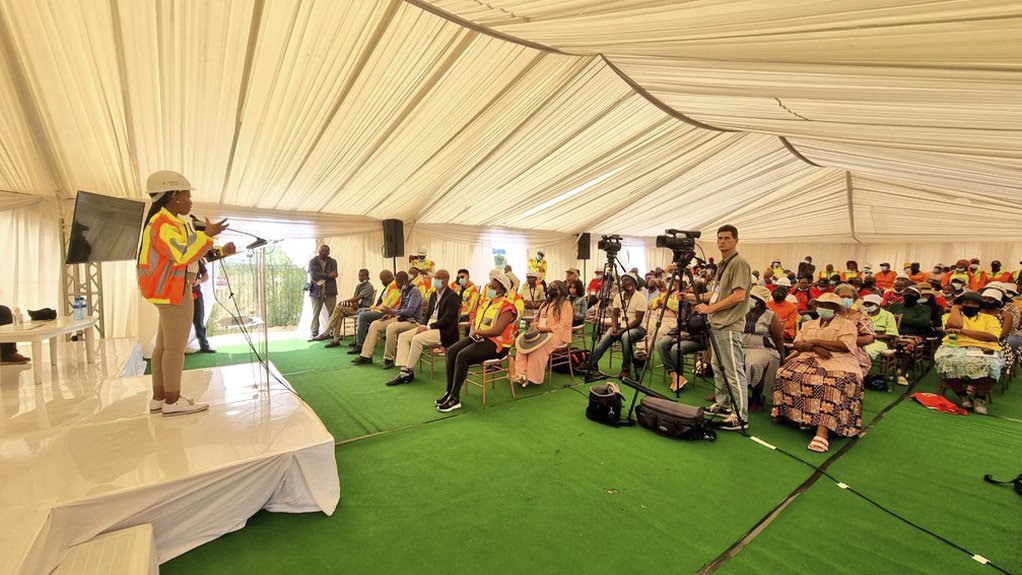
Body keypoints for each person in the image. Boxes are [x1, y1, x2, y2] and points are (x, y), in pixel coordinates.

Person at [138, 170, 235, 416]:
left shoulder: (170, 222)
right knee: (174, 348)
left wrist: (220, 249)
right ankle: (173, 400)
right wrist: (208, 235)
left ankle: (160, 398)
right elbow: (182, 254)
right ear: (173, 196)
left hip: (169, 290)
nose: (190, 200)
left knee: (163, 346)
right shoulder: (163, 223)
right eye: (186, 195)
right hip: (173, 289)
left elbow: (192, 254)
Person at [772, 292, 864, 453]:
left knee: (833, 382)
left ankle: (823, 431)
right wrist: (815, 348)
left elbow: (845, 345)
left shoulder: (846, 324)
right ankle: (786, 413)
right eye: (821, 305)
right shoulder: (808, 325)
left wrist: (815, 342)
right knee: (784, 373)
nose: (823, 309)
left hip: (838, 359)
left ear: (835, 309)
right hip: (809, 356)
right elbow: (798, 344)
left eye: (828, 306)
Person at [692, 225, 752, 431]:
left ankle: (741, 416)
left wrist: (709, 309)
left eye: (727, 238)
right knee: (718, 366)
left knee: (734, 371)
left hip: (729, 324)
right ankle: (724, 404)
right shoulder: (723, 264)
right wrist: (691, 297)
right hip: (718, 324)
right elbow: (716, 294)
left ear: (736, 240)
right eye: (719, 238)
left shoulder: (739, 263)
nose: (722, 241)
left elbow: (738, 296)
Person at [437, 270, 519, 412]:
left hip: (498, 345)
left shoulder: (507, 307)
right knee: (451, 351)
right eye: (489, 286)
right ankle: (449, 391)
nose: (490, 289)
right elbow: (474, 319)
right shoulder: (486, 302)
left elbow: (498, 330)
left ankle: (455, 398)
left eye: (493, 287)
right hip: (480, 337)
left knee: (463, 356)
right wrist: (474, 329)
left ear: (502, 290)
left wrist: (477, 332)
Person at [934, 291, 1004, 415]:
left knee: (992, 364)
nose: (970, 306)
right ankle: (962, 395)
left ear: (980, 306)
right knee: (944, 360)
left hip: (983, 347)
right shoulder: (949, 316)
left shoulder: (990, 319)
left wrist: (962, 331)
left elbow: (992, 336)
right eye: (966, 303)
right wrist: (955, 308)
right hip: (954, 345)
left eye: (974, 304)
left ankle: (980, 398)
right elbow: (954, 325)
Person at [388, 270, 461, 386]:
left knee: (417, 339)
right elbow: (426, 314)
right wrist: (422, 325)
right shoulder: (433, 295)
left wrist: (428, 327)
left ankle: (407, 370)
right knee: (403, 337)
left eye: (438, 277)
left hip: (443, 330)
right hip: (428, 326)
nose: (435, 280)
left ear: (446, 280)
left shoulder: (453, 297)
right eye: (435, 277)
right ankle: (404, 371)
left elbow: (447, 319)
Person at [583, 273, 647, 380]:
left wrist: (621, 332)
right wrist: (614, 328)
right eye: (623, 281)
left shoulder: (640, 297)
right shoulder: (619, 296)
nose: (624, 282)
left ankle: (626, 370)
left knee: (626, 336)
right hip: (621, 327)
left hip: (638, 328)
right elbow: (615, 314)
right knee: (607, 335)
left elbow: (637, 321)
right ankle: (591, 364)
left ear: (634, 283)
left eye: (627, 280)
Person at [352, 271, 423, 368]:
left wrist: (391, 311)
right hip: (400, 318)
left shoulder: (415, 291)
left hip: (412, 321)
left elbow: (409, 311)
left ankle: (388, 358)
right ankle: (366, 355)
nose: (396, 284)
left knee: (391, 327)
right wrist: (390, 315)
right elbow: (400, 307)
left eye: (398, 282)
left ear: (405, 281)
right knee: (375, 324)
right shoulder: (403, 289)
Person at [513, 281, 573, 387]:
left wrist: (545, 329)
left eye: (553, 287)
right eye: (550, 286)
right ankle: (520, 374)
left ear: (560, 290)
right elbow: (536, 319)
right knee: (522, 346)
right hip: (540, 333)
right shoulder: (545, 303)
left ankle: (532, 378)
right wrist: (535, 325)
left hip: (557, 335)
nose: (550, 288)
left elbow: (564, 326)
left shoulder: (566, 304)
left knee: (537, 349)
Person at [743, 286, 785, 412]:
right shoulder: (742, 311)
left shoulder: (770, 315)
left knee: (754, 364)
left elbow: (778, 338)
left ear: (760, 301)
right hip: (741, 345)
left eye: (754, 298)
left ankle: (757, 398)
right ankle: (738, 396)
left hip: (762, 348)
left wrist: (782, 357)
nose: (750, 299)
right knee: (729, 360)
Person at [322, 268, 376, 347]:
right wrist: (353, 303)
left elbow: (358, 298)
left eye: (362, 276)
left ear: (367, 276)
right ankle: (335, 338)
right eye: (359, 275)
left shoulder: (369, 286)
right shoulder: (358, 286)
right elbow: (355, 298)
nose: (360, 277)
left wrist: (345, 301)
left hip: (364, 309)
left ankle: (329, 330)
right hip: (356, 308)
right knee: (339, 313)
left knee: (339, 306)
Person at [347, 270, 399, 351]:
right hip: (379, 309)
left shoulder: (394, 287)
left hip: (386, 312)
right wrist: (372, 308)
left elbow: (388, 305)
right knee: (360, 311)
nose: (382, 282)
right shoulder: (389, 286)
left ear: (388, 278)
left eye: (383, 280)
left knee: (362, 316)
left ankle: (360, 344)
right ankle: (362, 337)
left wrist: (374, 309)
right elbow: (381, 301)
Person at [834, 283, 875, 378]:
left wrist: (842, 341)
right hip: (829, 349)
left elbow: (868, 338)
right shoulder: (831, 315)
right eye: (842, 296)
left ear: (854, 299)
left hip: (852, 352)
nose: (845, 299)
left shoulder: (861, 316)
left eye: (849, 297)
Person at [307, 244, 338, 341]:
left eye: (325, 251)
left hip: (330, 291)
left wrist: (324, 276)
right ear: (319, 251)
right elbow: (314, 275)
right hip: (316, 291)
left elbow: (335, 274)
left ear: (329, 252)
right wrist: (328, 275)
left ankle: (331, 332)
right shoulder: (313, 261)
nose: (323, 252)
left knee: (332, 313)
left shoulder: (333, 261)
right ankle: (314, 333)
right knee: (316, 313)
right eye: (321, 250)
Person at [190, 260, 215, 353]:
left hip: (196, 296)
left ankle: (204, 346)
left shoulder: (196, 261)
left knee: (199, 323)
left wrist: (198, 281)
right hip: (182, 298)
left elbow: (206, 276)